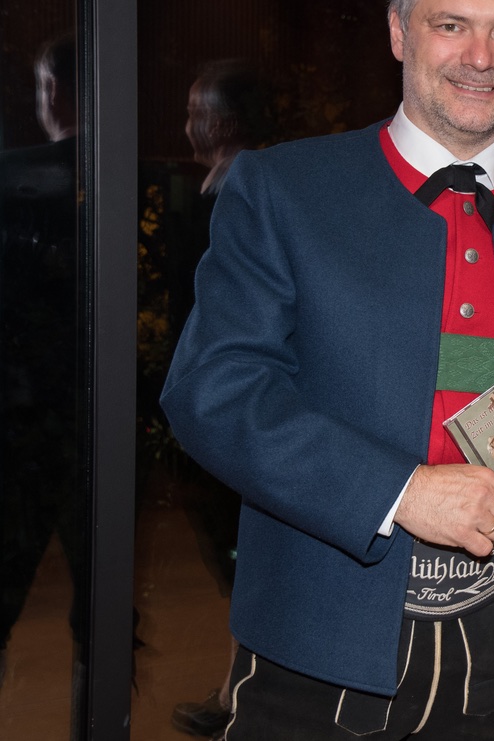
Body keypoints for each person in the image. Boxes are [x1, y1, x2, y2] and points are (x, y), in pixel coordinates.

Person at [160, 0, 494, 741]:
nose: (480, 56)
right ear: (398, 31)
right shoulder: (285, 190)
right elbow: (213, 392)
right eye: (452, 24)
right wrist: (402, 490)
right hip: (320, 655)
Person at [167, 59, 273, 740]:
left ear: (226, 122)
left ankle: (244, 694)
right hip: (217, 397)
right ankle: (240, 687)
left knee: (243, 550)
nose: (187, 126)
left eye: (197, 112)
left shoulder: (245, 192)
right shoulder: (215, 186)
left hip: (240, 401)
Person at [0, 34, 86, 724]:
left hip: (26, 417)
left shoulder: (21, 180)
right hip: (96, 417)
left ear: (54, 90)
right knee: (101, 601)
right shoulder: (130, 182)